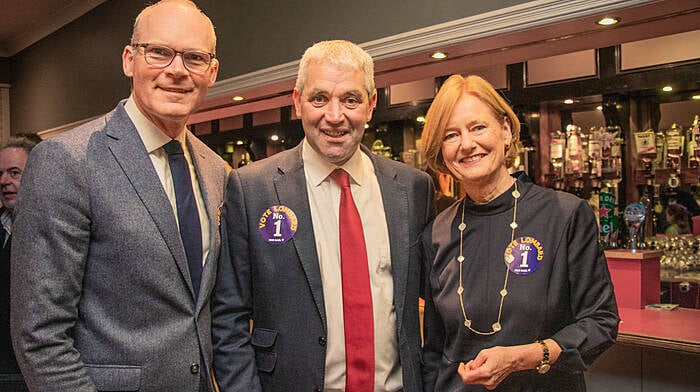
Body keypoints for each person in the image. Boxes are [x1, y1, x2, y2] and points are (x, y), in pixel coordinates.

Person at [10, 1, 226, 391]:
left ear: (211, 71)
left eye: (194, 57)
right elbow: (41, 336)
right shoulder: (67, 161)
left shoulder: (215, 170)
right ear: (130, 60)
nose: (176, 70)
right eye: (159, 52)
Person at [211, 40, 434, 392]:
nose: (335, 116)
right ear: (298, 102)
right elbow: (228, 317)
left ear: (371, 104)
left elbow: (436, 302)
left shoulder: (412, 188)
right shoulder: (252, 188)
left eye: (351, 99)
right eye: (319, 99)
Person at [420, 75, 619, 391]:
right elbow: (434, 350)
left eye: (478, 127)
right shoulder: (436, 233)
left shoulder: (564, 214)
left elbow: (600, 323)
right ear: (441, 150)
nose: (467, 144)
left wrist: (524, 357)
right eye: (451, 135)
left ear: (506, 131)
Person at [0, 134, 40, 392]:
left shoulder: (52, 232)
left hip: (28, 374)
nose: (4, 181)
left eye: (14, 172)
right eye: (1, 173)